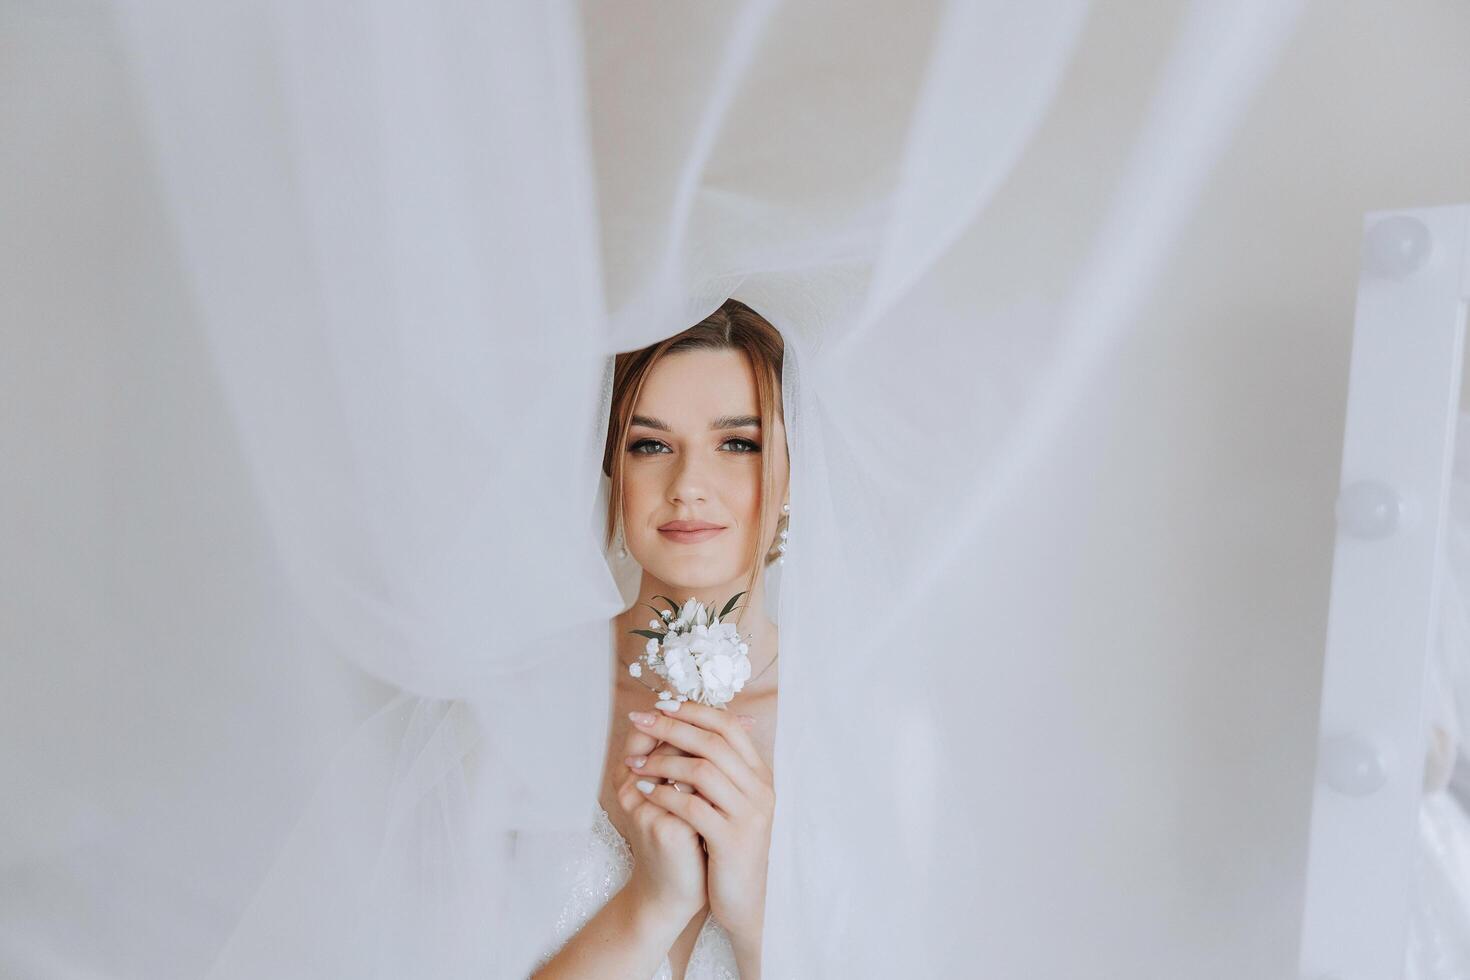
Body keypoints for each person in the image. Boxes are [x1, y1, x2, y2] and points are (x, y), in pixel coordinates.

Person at [532, 299, 789, 980]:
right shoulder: (522, 701)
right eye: (650, 444)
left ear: (795, 469)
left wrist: (758, 919)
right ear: (612, 469)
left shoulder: (871, 726)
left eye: (739, 443)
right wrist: (654, 902)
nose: (688, 487)